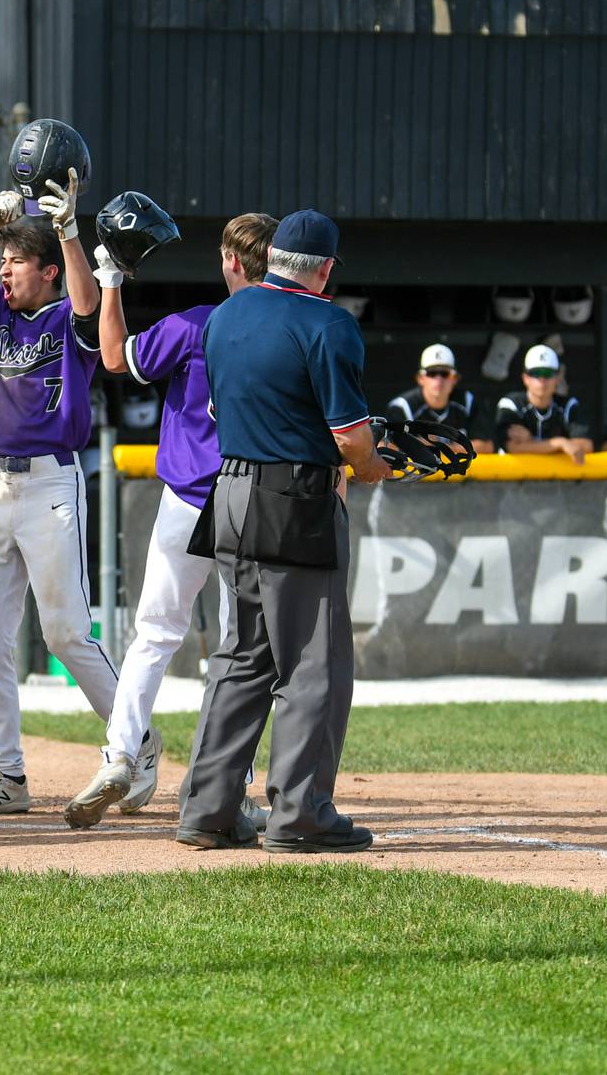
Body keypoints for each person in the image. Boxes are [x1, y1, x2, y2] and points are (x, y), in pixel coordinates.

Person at [179, 209, 391, 853]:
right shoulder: (328, 321)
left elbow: (233, 406)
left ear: (270, 259)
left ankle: (207, 811)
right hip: (296, 498)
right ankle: (300, 816)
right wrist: (376, 465)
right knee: (312, 665)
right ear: (325, 269)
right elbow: (351, 439)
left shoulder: (224, 317)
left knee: (239, 659)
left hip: (231, 493)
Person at [65, 212, 278, 830]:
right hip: (252, 499)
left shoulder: (196, 325)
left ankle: (120, 755)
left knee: (154, 634)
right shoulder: (287, 330)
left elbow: (112, 356)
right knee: (240, 652)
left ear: (231, 263)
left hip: (185, 500)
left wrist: (110, 280)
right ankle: (228, 784)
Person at [0, 176, 126, 817]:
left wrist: (70, 233)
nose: (5, 271)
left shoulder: (66, 318)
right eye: (4, 262)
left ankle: (136, 746)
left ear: (45, 271)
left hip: (50, 482)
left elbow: (84, 302)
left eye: (16, 262)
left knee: (69, 633)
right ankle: (7, 776)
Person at [387, 344, 495, 455]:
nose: (439, 379)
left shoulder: (468, 401)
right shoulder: (402, 406)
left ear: (455, 378)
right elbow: (386, 446)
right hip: (414, 471)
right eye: (431, 373)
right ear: (420, 378)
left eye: (445, 373)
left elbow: (486, 446)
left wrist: (436, 447)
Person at [495, 345, 594, 463]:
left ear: (558, 378)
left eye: (547, 373)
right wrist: (560, 443)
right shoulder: (511, 404)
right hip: (512, 477)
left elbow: (586, 445)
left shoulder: (568, 405)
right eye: (536, 374)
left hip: (558, 479)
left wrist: (532, 443)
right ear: (525, 378)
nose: (542, 380)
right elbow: (513, 447)